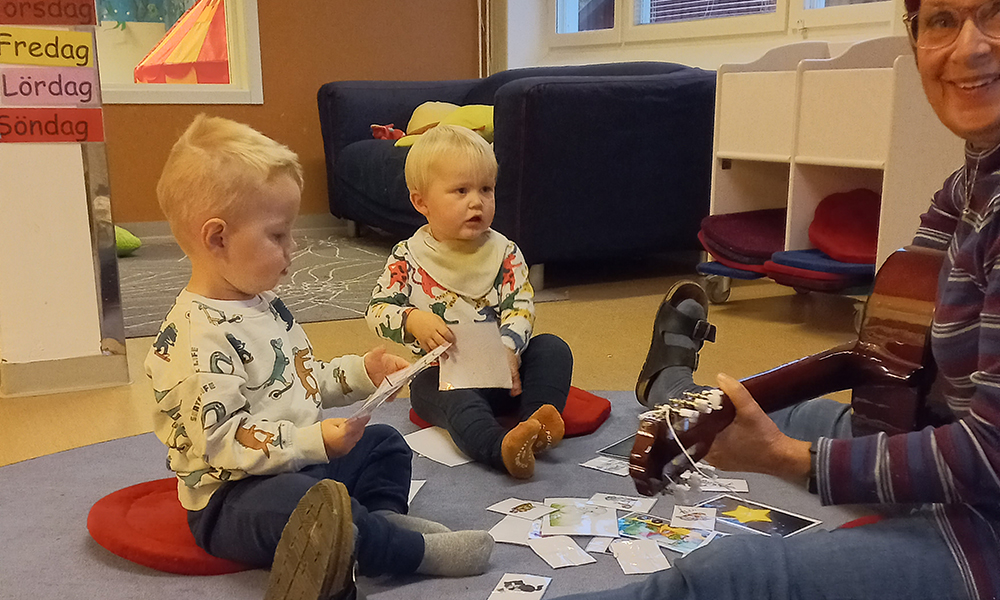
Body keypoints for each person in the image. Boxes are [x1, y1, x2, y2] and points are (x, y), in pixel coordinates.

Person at [556, 1, 1000, 598]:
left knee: (732, 577)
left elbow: (991, 456)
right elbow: (893, 339)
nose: (968, 47)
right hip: (950, 445)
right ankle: (670, 391)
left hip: (987, 513)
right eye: (942, 21)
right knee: (765, 411)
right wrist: (730, 412)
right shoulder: (972, 178)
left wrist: (788, 459)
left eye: (994, 13)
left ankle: (673, 394)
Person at [145, 115, 493, 600]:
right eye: (278, 235)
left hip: (301, 466)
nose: (294, 248)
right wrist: (314, 441)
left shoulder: (263, 303)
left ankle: (370, 523)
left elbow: (300, 382)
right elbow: (224, 442)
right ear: (217, 238)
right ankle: (404, 552)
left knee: (386, 444)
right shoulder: (197, 341)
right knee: (304, 502)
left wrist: (359, 372)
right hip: (234, 498)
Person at [366, 124, 574, 479]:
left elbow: (520, 307)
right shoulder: (407, 256)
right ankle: (500, 447)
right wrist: (412, 319)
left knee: (553, 349)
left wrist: (508, 349)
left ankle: (536, 423)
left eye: (486, 189)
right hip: (447, 376)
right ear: (421, 202)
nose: (476, 201)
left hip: (508, 374)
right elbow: (377, 310)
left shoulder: (505, 252)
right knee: (434, 391)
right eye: (460, 191)